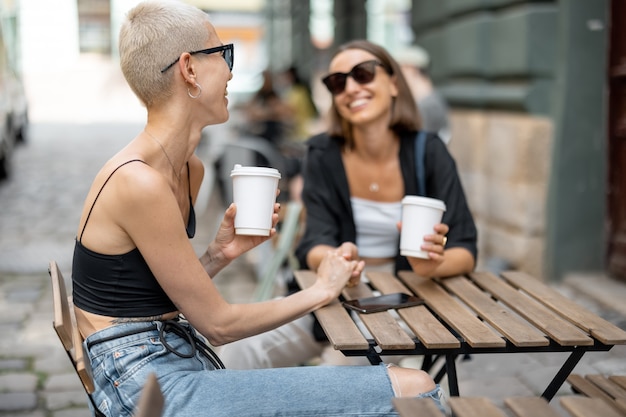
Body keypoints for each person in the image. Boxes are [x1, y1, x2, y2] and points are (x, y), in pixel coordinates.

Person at [71, 2, 444, 416]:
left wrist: (218, 255)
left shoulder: (186, 169)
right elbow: (219, 326)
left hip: (168, 358)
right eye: (223, 55)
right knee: (415, 388)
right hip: (146, 386)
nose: (231, 71)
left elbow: (142, 299)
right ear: (189, 69)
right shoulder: (139, 181)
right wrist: (322, 290)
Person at [219, 39, 477, 369]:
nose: (351, 88)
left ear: (394, 83)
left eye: (364, 74)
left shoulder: (429, 152)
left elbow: (466, 249)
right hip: (334, 290)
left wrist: (431, 265)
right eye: (337, 82)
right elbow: (313, 242)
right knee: (243, 349)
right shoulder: (323, 152)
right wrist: (334, 259)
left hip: (405, 298)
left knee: (340, 371)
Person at [394, 44, 451, 144]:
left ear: (411, 69)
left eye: (400, 68)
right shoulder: (429, 99)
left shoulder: (428, 105)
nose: (397, 75)